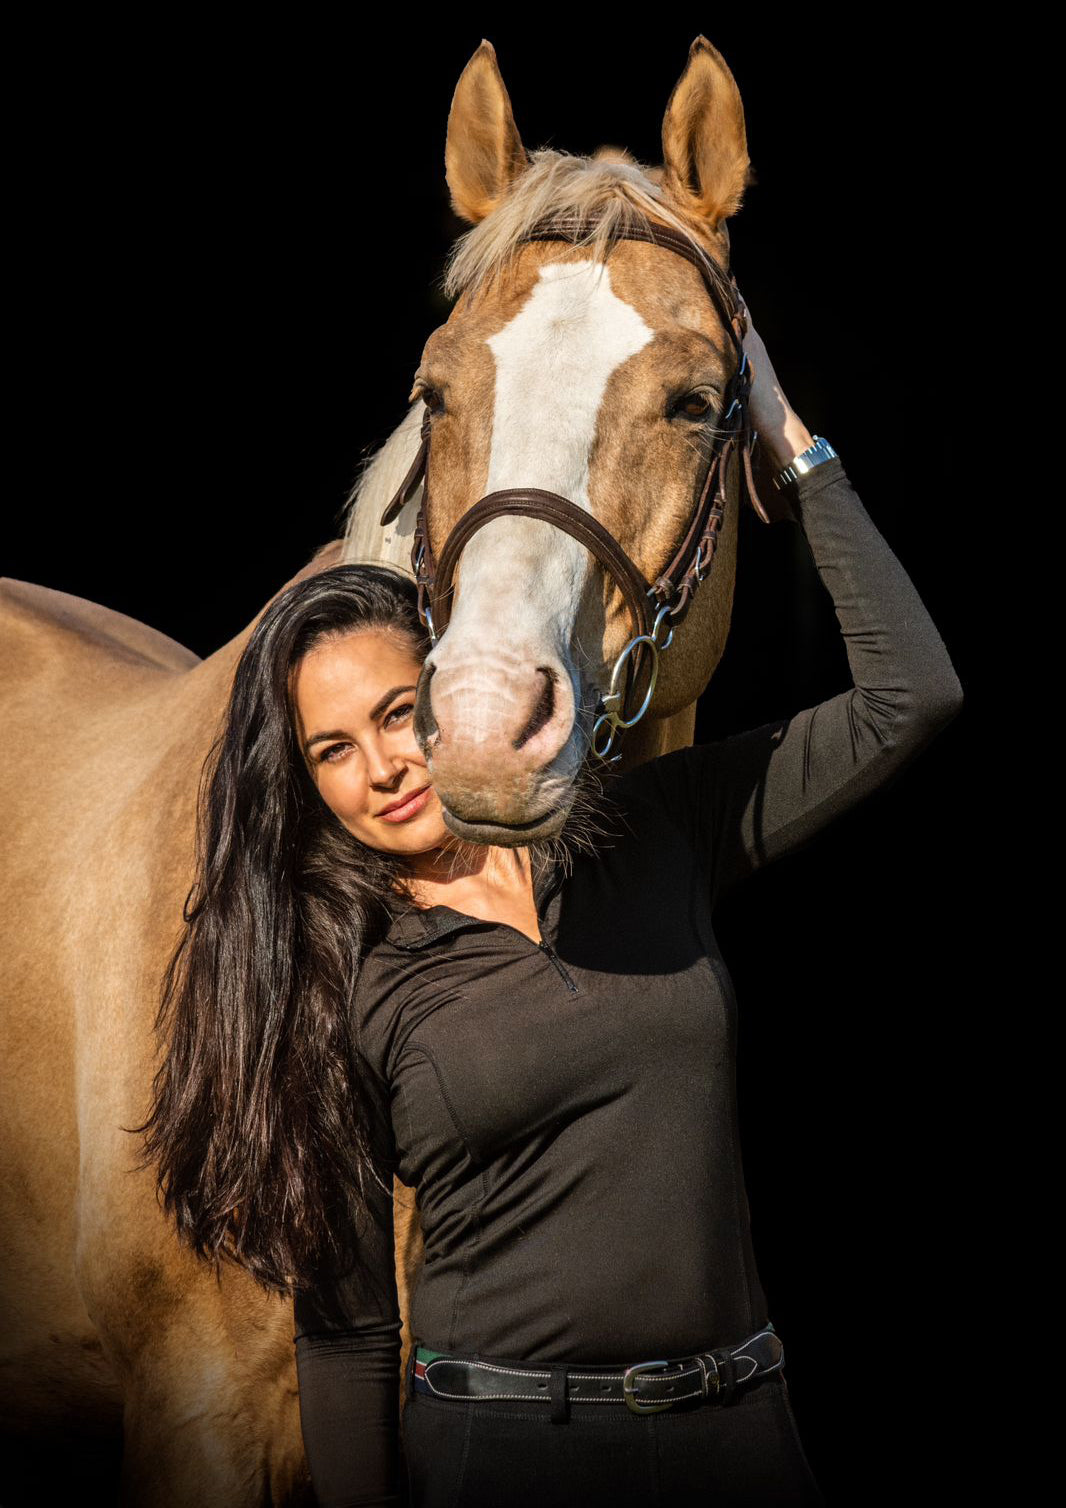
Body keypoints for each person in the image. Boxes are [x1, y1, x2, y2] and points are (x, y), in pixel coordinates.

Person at [139, 307, 963, 1508]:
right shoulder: (351, 981)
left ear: (450, 686)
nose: (380, 764)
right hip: (503, 1454)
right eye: (328, 748)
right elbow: (350, 1333)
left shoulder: (651, 839)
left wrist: (788, 438)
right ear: (305, 784)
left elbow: (912, 695)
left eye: (393, 710)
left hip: (740, 1431)